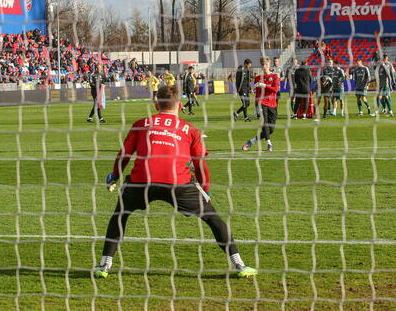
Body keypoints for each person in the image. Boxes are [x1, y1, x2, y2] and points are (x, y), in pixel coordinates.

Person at [94, 86, 257, 279]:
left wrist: (115, 175)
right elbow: (200, 165)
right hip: (178, 183)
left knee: (119, 216)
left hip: (141, 181)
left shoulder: (140, 124)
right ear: (180, 105)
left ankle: (105, 265)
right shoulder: (192, 130)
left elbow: (124, 154)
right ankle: (239, 264)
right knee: (213, 218)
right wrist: (205, 189)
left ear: (156, 104)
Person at [242, 57, 280, 152]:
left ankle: (251, 141)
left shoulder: (275, 76)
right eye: (262, 65)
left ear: (269, 65)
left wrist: (264, 85)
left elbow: (275, 90)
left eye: (266, 64)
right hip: (262, 103)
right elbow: (257, 94)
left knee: (271, 130)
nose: (264, 66)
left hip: (272, 105)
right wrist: (256, 106)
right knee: (265, 125)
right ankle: (269, 145)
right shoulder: (258, 78)